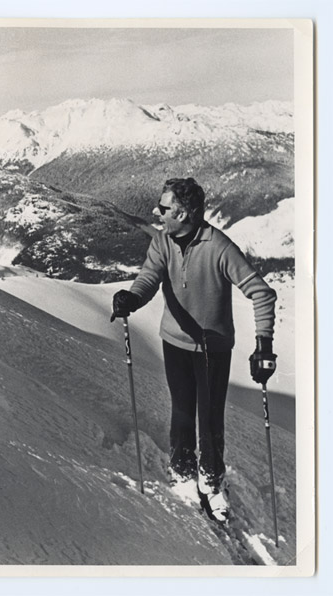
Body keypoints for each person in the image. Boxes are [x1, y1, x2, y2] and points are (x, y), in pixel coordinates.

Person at [110, 177, 277, 522]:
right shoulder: (162, 241)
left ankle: (213, 483)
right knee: (182, 410)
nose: (158, 213)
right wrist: (132, 298)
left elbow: (262, 293)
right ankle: (184, 475)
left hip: (212, 349)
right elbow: (149, 278)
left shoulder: (218, 247)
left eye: (164, 208)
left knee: (210, 417)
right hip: (174, 342)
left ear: (184, 213)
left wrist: (264, 345)